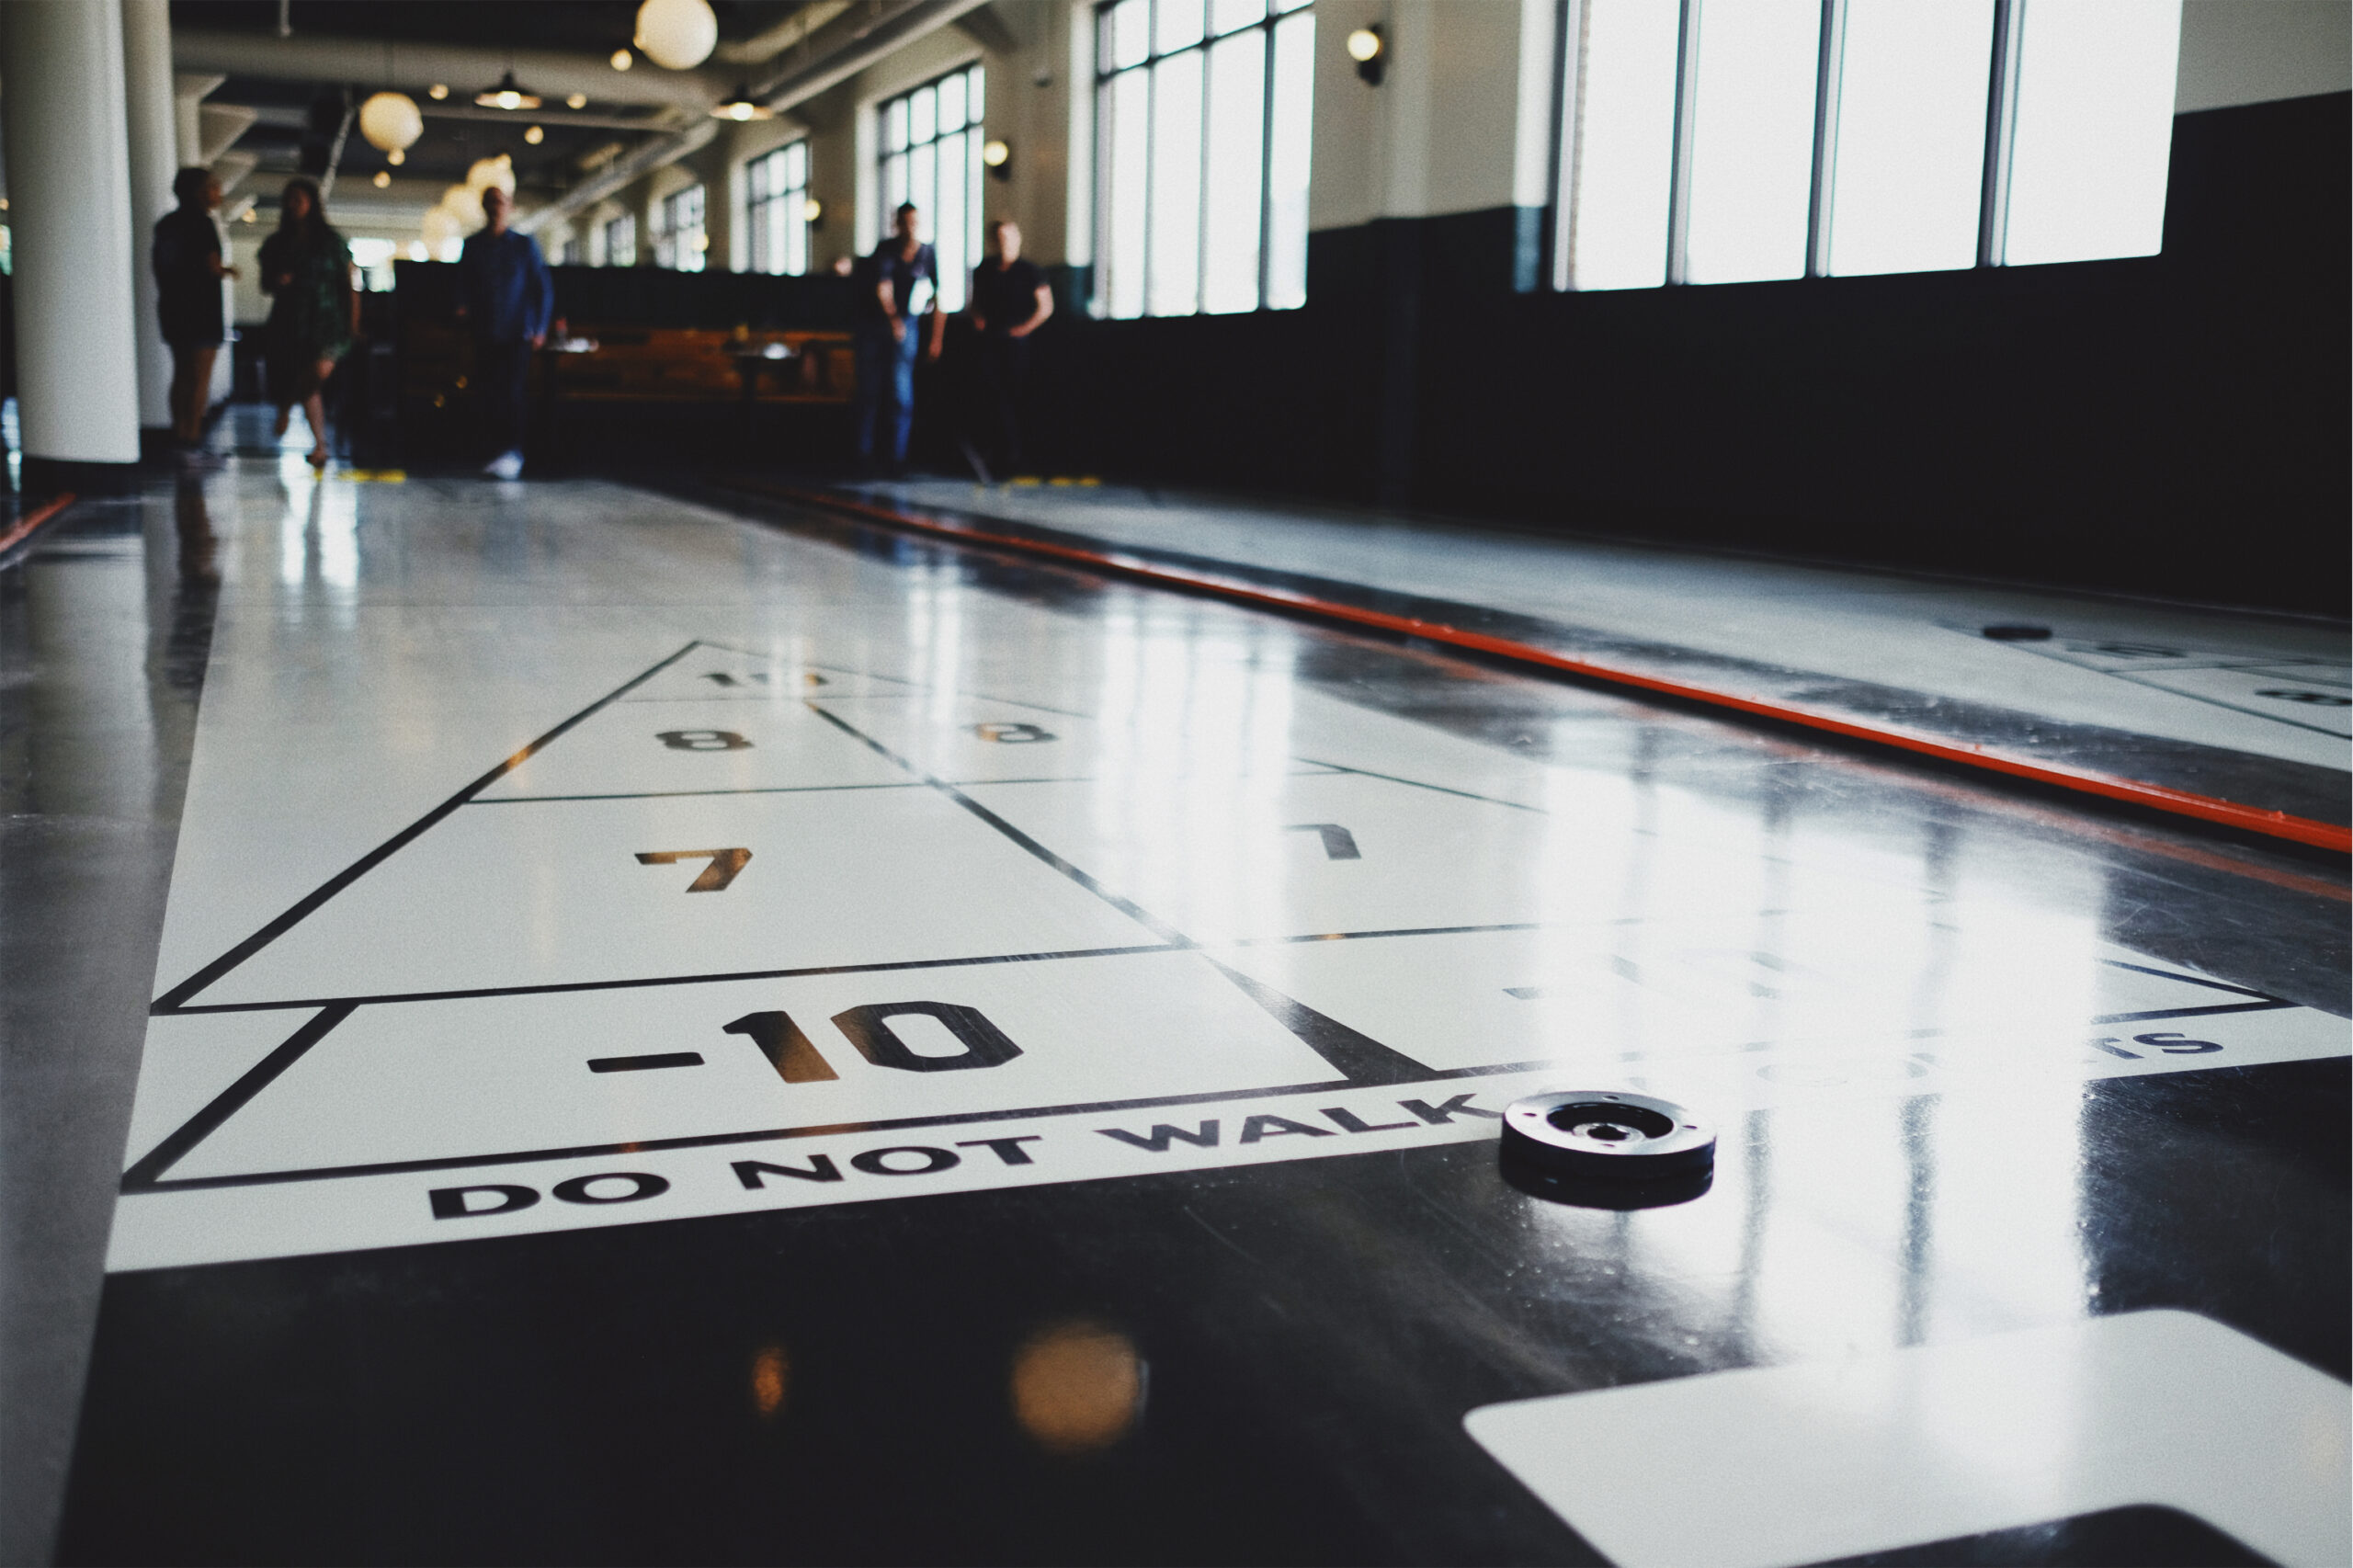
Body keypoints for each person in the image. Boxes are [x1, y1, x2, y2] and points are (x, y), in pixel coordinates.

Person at [257, 176, 358, 471]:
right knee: (308, 379)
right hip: (292, 320)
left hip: (328, 320)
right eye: (289, 200)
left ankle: (287, 405)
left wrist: (353, 322)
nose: (293, 206)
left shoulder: (331, 242)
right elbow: (265, 284)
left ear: (312, 204)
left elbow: (350, 285)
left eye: (298, 200)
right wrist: (279, 280)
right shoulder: (277, 243)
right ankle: (320, 447)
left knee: (317, 373)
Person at [455, 185, 553, 481]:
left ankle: (513, 451)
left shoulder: (525, 245)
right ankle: (490, 450)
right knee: (487, 391)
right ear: (485, 207)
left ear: (510, 206)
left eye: (501, 202)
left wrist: (540, 328)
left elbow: (542, 287)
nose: (497, 207)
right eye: (491, 202)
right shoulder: (473, 246)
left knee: (512, 393)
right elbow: (463, 284)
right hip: (485, 331)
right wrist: (461, 307)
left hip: (517, 332)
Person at [852, 202, 945, 473]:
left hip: (908, 326)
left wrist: (936, 339)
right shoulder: (886, 249)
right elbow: (884, 288)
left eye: (914, 222)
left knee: (901, 393)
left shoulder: (927, 252)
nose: (910, 227)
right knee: (869, 391)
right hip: (875, 326)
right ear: (897, 224)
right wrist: (893, 320)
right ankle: (863, 455)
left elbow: (939, 295)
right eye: (905, 222)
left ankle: (897, 458)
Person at [152, 166, 236, 456]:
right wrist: (228, 270)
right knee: (200, 376)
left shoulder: (166, 225)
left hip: (173, 306)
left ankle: (179, 431)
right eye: (213, 187)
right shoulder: (203, 223)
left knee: (181, 372)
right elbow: (212, 265)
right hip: (201, 308)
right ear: (199, 192)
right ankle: (193, 435)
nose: (218, 192)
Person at [967, 219, 1053, 478]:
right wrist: (977, 318)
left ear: (1018, 238)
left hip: (1015, 343)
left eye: (1009, 236)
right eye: (1000, 237)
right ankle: (993, 451)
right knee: (991, 396)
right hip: (990, 341)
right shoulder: (985, 269)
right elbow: (975, 302)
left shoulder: (1030, 271)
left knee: (1014, 397)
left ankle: (1015, 455)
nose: (1004, 242)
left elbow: (1046, 306)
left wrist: (1024, 329)